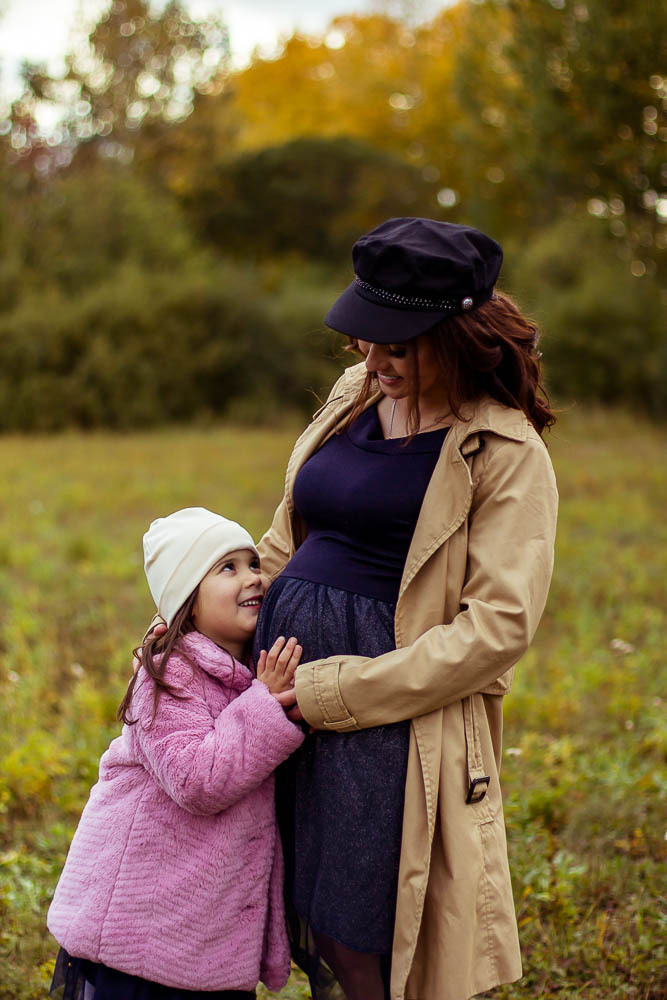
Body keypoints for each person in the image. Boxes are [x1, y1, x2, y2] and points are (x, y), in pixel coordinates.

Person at [252, 218, 559, 1000]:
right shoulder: (353, 394)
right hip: (282, 691)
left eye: (396, 346)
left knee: (362, 932)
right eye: (366, 337)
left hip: (387, 716)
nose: (372, 360)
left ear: (455, 339)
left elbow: (497, 628)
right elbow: (288, 531)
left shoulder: (504, 451)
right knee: (304, 902)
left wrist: (338, 692)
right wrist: (203, 623)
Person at [47, 507, 305, 1000]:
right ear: (188, 599)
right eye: (227, 567)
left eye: (253, 563)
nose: (253, 577)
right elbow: (196, 779)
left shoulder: (244, 674)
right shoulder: (168, 675)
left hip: (200, 931)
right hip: (142, 931)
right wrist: (265, 705)